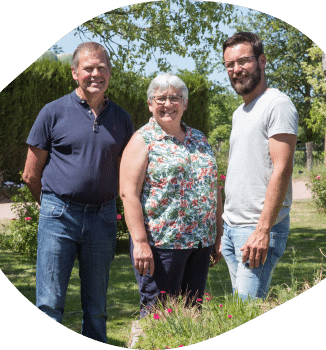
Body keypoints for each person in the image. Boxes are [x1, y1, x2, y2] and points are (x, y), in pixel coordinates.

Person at [22, 42, 134, 343]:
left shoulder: (122, 119)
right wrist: (52, 206)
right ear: (75, 73)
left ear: (109, 73)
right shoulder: (52, 112)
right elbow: (31, 174)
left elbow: (129, 172)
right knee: (49, 303)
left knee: (96, 307)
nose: (95, 73)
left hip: (103, 219)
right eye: (88, 68)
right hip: (59, 215)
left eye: (102, 68)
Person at [120, 73, 223, 317]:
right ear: (150, 103)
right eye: (161, 98)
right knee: (160, 315)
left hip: (200, 243)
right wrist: (141, 243)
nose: (168, 104)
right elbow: (128, 194)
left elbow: (214, 188)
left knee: (192, 314)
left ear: (185, 103)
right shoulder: (142, 140)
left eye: (175, 98)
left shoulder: (199, 139)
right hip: (162, 245)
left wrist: (218, 234)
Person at [221, 32, 299, 301]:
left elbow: (283, 169)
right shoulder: (239, 113)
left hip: (257, 229)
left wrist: (263, 229)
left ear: (262, 61)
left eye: (243, 61)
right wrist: (223, 227)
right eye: (229, 65)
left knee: (245, 315)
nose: (236, 70)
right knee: (241, 312)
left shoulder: (277, 104)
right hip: (232, 228)